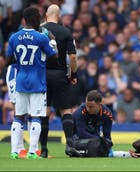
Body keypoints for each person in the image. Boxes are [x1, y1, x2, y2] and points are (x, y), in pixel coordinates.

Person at [6, 7, 57, 159]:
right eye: (39, 17)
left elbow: (9, 59)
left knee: (18, 116)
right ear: (34, 18)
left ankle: (14, 151)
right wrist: (52, 41)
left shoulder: (14, 37)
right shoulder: (42, 37)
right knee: (35, 116)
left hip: (21, 79)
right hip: (37, 81)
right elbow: (54, 57)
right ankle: (32, 152)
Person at [39, 4, 78, 158]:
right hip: (60, 74)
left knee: (45, 111)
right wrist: (73, 74)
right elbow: (73, 57)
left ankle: (43, 150)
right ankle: (69, 145)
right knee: (65, 110)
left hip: (42, 75)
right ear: (59, 16)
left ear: (47, 14)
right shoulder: (66, 32)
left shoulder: (39, 30)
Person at [72, 90, 113, 157]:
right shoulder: (80, 112)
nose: (88, 109)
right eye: (87, 105)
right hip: (77, 137)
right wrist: (99, 140)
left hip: (94, 136)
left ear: (99, 105)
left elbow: (107, 135)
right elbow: (81, 133)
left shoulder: (107, 114)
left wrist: (109, 147)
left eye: (91, 107)